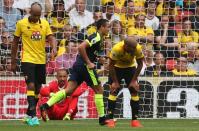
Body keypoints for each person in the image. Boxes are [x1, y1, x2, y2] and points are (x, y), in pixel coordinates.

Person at [40, 19, 110, 126]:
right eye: (107, 27)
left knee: (68, 91)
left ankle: (45, 106)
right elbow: (81, 47)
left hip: (78, 65)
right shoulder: (95, 37)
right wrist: (89, 62)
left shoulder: (100, 39)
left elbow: (93, 53)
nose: (109, 29)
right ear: (102, 27)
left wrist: (102, 60)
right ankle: (102, 118)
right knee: (99, 89)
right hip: (85, 66)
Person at [11, 2, 57, 126]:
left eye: (39, 16)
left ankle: (27, 115)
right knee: (30, 85)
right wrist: (13, 61)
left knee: (37, 88)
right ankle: (33, 116)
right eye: (35, 15)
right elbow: (15, 43)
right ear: (30, 12)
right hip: (27, 59)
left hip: (41, 60)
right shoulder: (21, 23)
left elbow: (52, 37)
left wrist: (54, 47)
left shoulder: (45, 23)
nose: (37, 18)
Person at [106, 37, 144, 128]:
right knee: (113, 91)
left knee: (134, 91)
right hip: (116, 68)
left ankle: (134, 121)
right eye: (132, 49)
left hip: (130, 68)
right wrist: (115, 82)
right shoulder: (117, 48)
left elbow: (140, 64)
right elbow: (110, 65)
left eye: (135, 48)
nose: (134, 50)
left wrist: (134, 80)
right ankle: (110, 120)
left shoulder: (137, 48)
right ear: (126, 46)